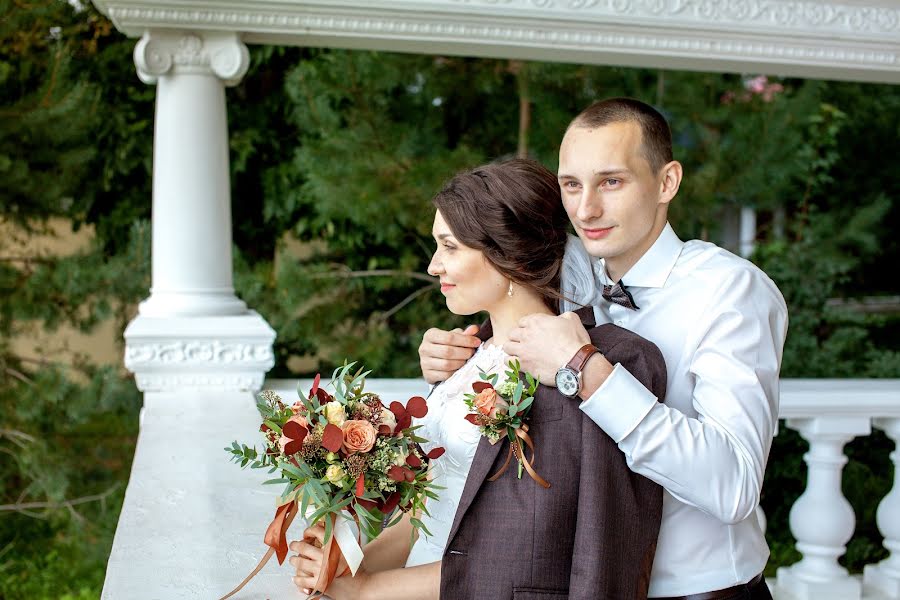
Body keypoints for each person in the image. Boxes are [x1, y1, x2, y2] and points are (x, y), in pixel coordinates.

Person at [419, 98, 788, 600]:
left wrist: (584, 370)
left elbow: (735, 486)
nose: (586, 209)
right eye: (572, 185)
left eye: (611, 181)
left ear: (666, 182)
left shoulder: (730, 291)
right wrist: (457, 358)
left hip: (701, 592)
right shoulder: (571, 279)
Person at [289, 158, 667, 599]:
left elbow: (519, 555)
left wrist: (369, 590)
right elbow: (426, 517)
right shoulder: (462, 361)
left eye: (449, 247)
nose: (434, 266)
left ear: (503, 254)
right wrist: (344, 569)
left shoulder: (581, 370)